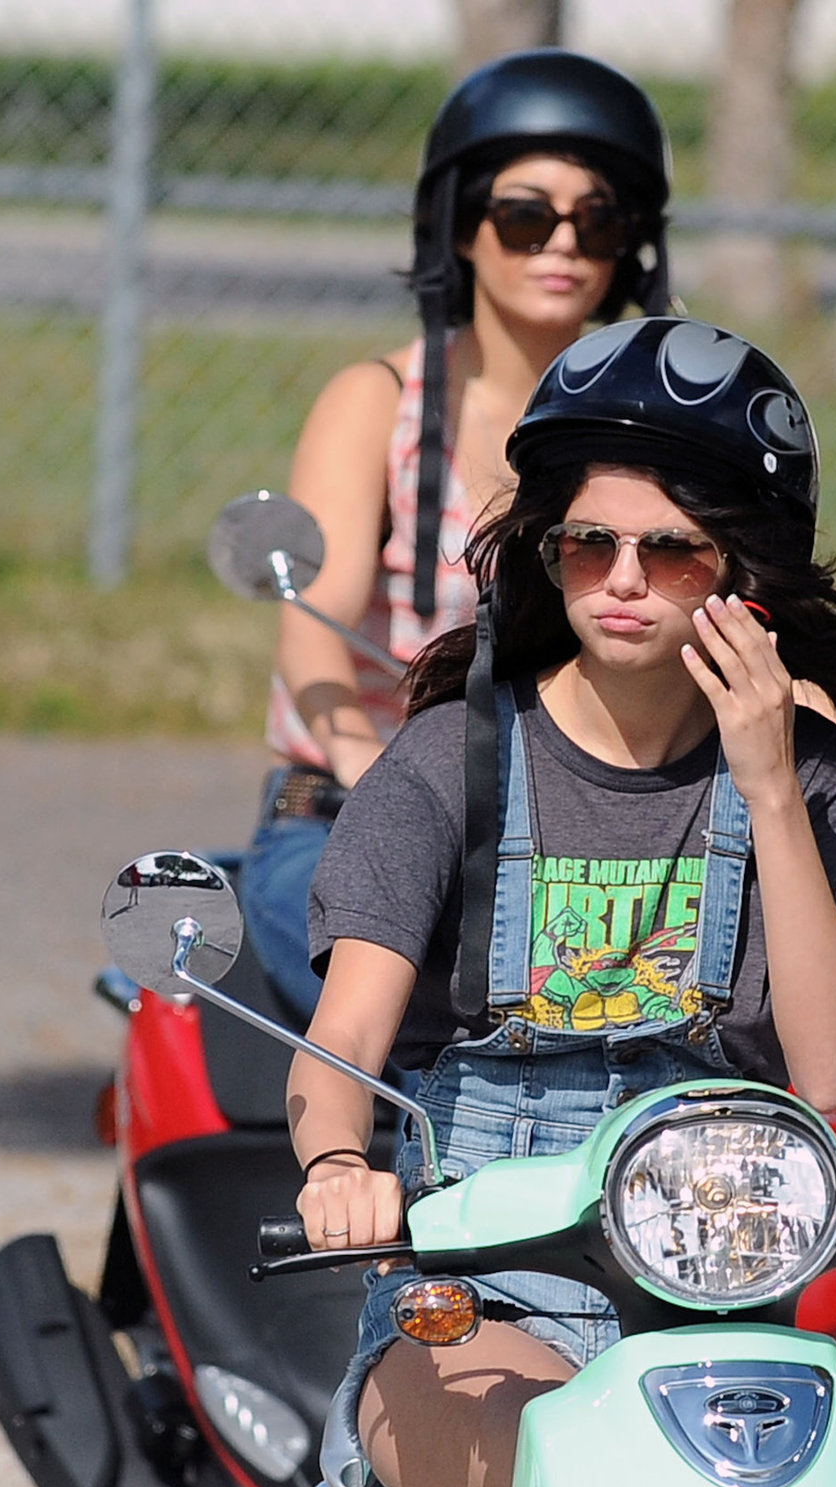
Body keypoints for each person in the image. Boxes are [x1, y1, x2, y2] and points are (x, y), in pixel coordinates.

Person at [285, 317, 836, 1487]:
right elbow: (342, 1046)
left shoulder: (802, 779)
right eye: (590, 543)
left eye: (672, 550)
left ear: (737, 570)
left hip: (713, 1291)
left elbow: (832, 1070)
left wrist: (770, 784)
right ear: (549, 552)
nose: (623, 579)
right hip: (473, 1287)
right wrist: (333, 1171)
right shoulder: (446, 764)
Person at [241, 49, 674, 1023]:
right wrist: (386, 781)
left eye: (595, 221)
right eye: (524, 217)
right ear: (461, 231)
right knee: (418, 991)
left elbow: (737, 608)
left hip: (590, 818)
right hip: (357, 806)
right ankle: (357, 1171)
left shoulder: (658, 428)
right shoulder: (376, 404)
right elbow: (313, 634)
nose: (561, 245)